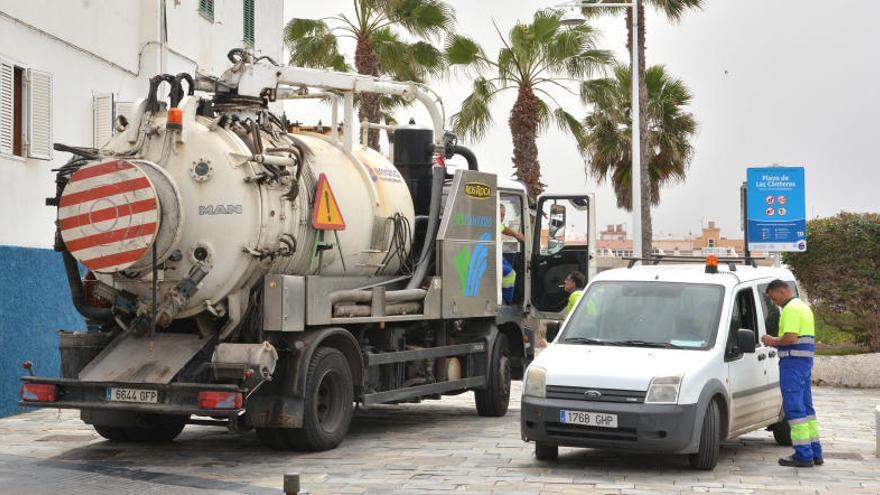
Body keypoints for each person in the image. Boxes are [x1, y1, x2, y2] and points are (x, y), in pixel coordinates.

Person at [761, 279, 823, 468]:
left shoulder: (790, 309)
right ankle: (815, 452)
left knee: (794, 410)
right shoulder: (803, 307)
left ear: (781, 292)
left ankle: (803, 455)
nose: (774, 302)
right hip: (803, 363)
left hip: (792, 364)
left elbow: (790, 337)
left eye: (773, 298)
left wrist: (772, 340)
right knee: (807, 409)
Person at [499, 204, 524, 304]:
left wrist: (516, 235)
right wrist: (517, 235)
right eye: (500, 214)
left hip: (496, 255)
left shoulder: (497, 224)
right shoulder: (491, 222)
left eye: (503, 215)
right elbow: (505, 229)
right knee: (510, 273)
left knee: (509, 266)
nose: (501, 218)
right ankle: (506, 301)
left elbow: (504, 228)